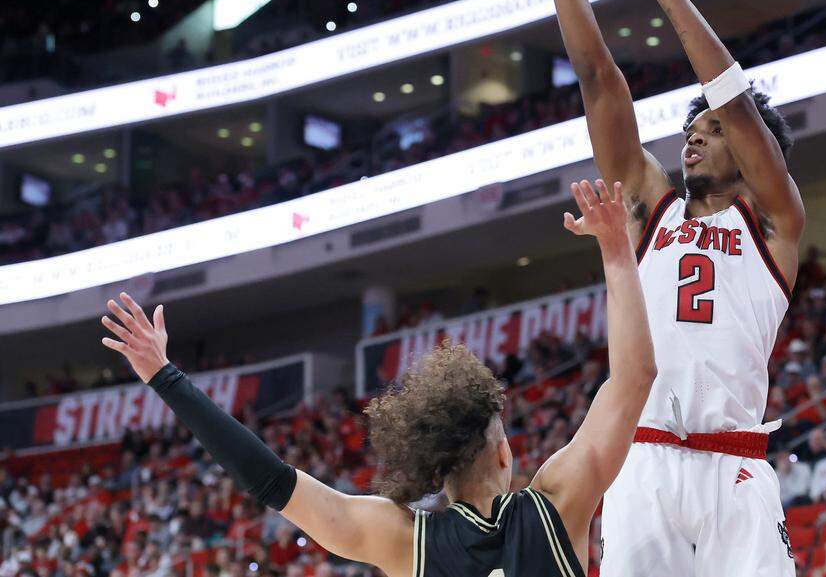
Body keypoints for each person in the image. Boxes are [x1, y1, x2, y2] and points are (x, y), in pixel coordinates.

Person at [100, 179, 656, 577]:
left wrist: (167, 377)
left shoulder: (404, 541)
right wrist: (615, 254)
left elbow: (269, 480)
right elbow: (635, 377)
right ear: (505, 456)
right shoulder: (557, 502)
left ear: (435, 467)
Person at [505, 0, 804, 577]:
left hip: (734, 466)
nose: (694, 134)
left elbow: (734, 101)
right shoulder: (650, 207)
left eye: (713, 131)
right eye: (690, 128)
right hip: (642, 461)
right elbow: (600, 80)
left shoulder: (774, 222)